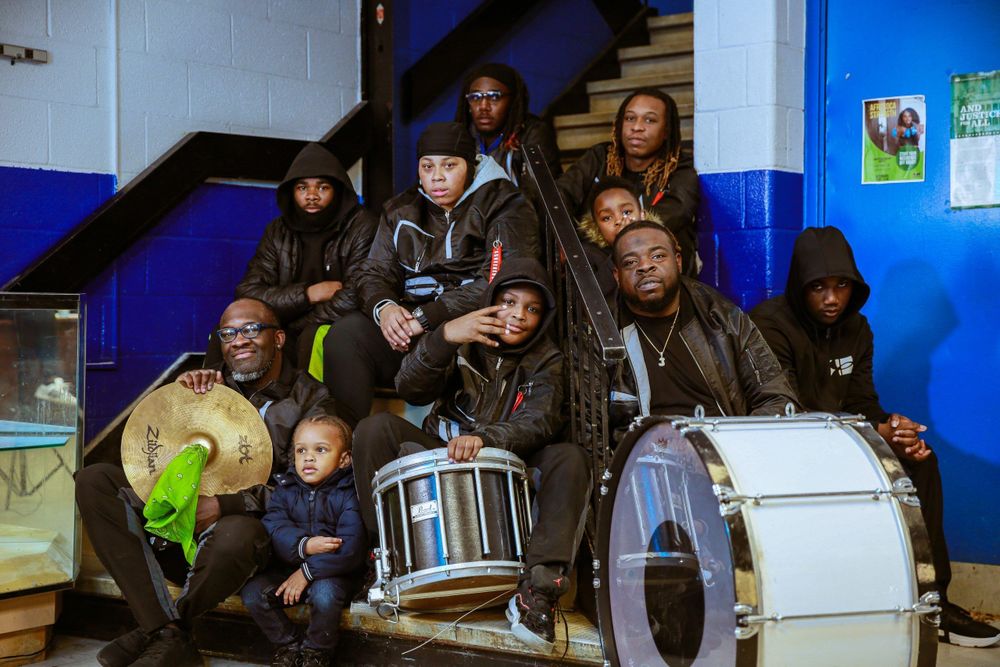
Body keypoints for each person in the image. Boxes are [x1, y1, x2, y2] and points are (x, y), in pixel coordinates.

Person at [749, 226, 1000, 648]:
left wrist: (895, 429)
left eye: (841, 285)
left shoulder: (857, 329)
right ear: (799, 286)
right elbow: (784, 412)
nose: (832, 299)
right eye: (818, 288)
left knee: (921, 460)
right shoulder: (769, 325)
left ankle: (932, 601)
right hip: (784, 452)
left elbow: (864, 400)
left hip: (844, 441)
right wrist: (873, 429)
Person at [75, 298, 338, 667]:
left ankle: (161, 631)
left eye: (251, 329)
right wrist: (178, 400)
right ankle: (165, 632)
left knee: (236, 533)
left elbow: (309, 487)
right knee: (94, 480)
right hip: (180, 526)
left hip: (250, 539)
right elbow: (158, 457)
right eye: (229, 333)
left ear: (278, 339)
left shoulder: (311, 399)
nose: (239, 340)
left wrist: (225, 505)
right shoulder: (206, 384)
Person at [353, 258, 589, 653]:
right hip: (442, 452)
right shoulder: (463, 337)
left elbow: (541, 419)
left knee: (570, 457)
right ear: (491, 300)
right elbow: (410, 389)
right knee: (375, 429)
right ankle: (383, 562)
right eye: (509, 302)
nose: (518, 315)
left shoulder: (547, 358)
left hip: (507, 465)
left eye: (532, 309)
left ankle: (537, 592)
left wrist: (486, 438)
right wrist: (443, 336)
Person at [324, 122, 540, 427]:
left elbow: (503, 280)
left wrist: (427, 317)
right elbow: (374, 271)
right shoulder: (400, 209)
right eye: (427, 167)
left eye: (449, 165)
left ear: (471, 165)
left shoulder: (505, 203)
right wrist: (385, 309)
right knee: (346, 334)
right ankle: (341, 442)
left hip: (470, 330)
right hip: (411, 329)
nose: (436, 176)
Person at [610, 221, 797, 423]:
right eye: (630, 262)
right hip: (646, 449)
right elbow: (589, 424)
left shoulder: (723, 318)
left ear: (678, 261)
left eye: (658, 256)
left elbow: (776, 397)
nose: (645, 266)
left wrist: (739, 441)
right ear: (617, 276)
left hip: (721, 441)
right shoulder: (604, 333)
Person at [235, 142, 377, 365]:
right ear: (292, 192)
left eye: (322, 188)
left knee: (310, 338)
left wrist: (295, 325)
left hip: (337, 325)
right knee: (230, 330)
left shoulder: (362, 225)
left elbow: (355, 295)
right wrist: (309, 294)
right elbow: (249, 294)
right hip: (290, 324)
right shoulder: (277, 230)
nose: (311, 196)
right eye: (302, 188)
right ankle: (216, 399)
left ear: (337, 190)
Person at [241, 415, 366, 667]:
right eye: (301, 450)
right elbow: (272, 528)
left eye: (320, 450)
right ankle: (288, 644)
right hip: (289, 571)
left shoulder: (350, 493)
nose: (308, 458)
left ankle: (316, 651)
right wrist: (304, 545)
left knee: (325, 595)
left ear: (344, 459)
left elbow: (350, 549)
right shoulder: (285, 489)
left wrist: (307, 571)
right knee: (254, 593)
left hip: (335, 575)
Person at [558, 88, 701, 277]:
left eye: (649, 120)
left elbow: (672, 214)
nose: (637, 127)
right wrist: (564, 238)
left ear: (666, 130)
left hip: (649, 268)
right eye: (630, 118)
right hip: (599, 264)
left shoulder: (680, 170)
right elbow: (561, 194)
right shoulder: (600, 158)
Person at [454, 62, 562, 186]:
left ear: (512, 101)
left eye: (494, 97)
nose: (483, 106)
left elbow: (537, 194)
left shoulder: (533, 133)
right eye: (475, 97)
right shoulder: (460, 136)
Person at [577, 175, 664, 302]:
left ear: (642, 215)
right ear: (596, 227)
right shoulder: (590, 256)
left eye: (627, 212)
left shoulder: (661, 246)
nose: (619, 220)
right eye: (607, 218)